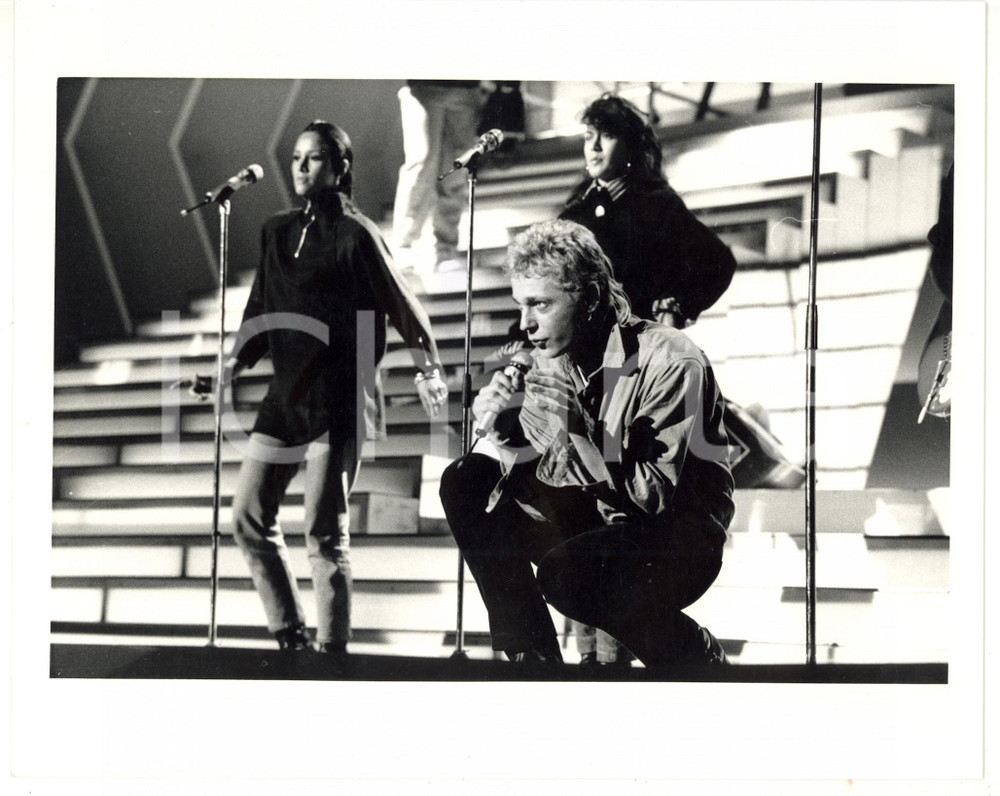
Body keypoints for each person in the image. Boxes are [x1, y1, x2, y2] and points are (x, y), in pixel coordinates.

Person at [193, 120, 448, 661]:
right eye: (296, 159)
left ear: (340, 167)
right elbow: (259, 309)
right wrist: (232, 365)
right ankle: (289, 634)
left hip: (338, 398)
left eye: (314, 159)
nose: (301, 167)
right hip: (285, 398)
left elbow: (405, 307)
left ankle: (333, 653)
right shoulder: (276, 231)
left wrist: (429, 369)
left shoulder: (356, 236)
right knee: (247, 517)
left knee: (323, 535)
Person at [439, 219, 734, 669]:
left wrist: (580, 434)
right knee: (467, 480)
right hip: (599, 522)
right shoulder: (547, 363)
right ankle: (533, 659)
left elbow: (652, 497)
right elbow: (549, 477)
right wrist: (501, 431)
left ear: (591, 298)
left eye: (540, 305)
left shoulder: (672, 360)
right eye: (521, 306)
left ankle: (693, 653)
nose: (526, 325)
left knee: (568, 576)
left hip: (676, 540)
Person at [559, 93, 736, 328]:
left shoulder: (659, 205)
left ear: (631, 147)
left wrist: (677, 308)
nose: (595, 146)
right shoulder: (574, 214)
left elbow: (720, 262)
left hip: (643, 343)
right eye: (589, 136)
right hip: (590, 346)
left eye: (608, 136)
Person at [392, 80, 490, 272]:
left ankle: (445, 250)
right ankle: (404, 245)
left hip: (465, 88)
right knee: (421, 167)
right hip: (424, 87)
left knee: (456, 170)